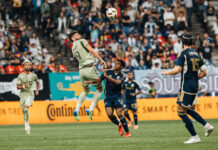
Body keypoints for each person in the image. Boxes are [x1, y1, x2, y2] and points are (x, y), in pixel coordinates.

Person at [162, 34, 214, 144]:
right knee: (186, 109)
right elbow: (204, 72)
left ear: (182, 42)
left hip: (185, 86)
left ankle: (196, 135)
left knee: (180, 111)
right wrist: (195, 78)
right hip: (194, 86)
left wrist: (166, 72)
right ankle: (206, 126)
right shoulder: (197, 54)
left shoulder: (183, 53)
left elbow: (177, 70)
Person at [85, 60, 131, 137]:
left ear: (121, 67)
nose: (115, 65)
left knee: (119, 113)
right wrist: (91, 82)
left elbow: (118, 82)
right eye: (115, 63)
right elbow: (99, 79)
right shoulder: (108, 72)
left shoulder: (123, 76)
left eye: (118, 64)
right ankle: (119, 124)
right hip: (108, 97)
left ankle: (127, 132)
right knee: (109, 114)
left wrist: (107, 77)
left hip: (117, 96)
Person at [69, 30, 106, 121]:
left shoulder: (73, 47)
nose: (79, 35)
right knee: (100, 89)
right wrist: (100, 59)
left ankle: (77, 109)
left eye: (79, 34)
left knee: (85, 90)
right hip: (89, 68)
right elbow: (91, 50)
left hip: (81, 71)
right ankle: (90, 109)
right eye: (76, 35)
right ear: (72, 38)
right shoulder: (82, 41)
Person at [16, 60, 39, 135]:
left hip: (30, 94)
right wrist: (23, 86)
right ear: (23, 66)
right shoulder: (20, 75)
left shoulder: (33, 75)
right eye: (26, 65)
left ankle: (27, 125)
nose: (27, 66)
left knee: (26, 108)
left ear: (31, 66)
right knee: (24, 111)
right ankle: (27, 123)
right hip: (23, 95)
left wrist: (37, 90)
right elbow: (17, 87)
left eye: (29, 65)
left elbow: (37, 82)